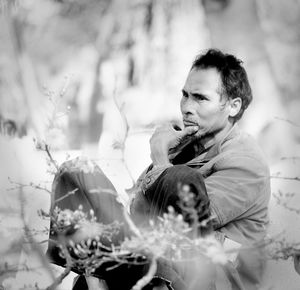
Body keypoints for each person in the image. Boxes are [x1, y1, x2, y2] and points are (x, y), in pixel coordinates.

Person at [47, 48, 270, 289]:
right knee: (78, 172)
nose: (186, 107)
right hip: (153, 260)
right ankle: (95, 279)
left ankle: (102, 274)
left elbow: (187, 221)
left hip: (205, 277)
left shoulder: (246, 163)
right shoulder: (185, 147)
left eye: (200, 98)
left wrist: (161, 158)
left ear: (233, 106)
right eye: (185, 95)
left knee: (179, 179)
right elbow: (138, 211)